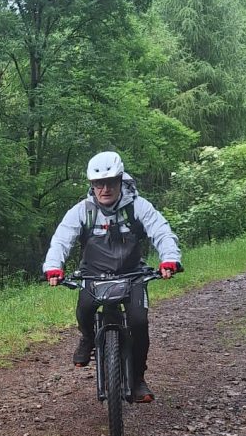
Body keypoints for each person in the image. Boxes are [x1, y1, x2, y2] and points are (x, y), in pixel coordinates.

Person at [42, 151, 182, 403]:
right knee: (85, 310)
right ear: (92, 185)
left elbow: (161, 231)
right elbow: (62, 238)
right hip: (93, 275)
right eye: (98, 184)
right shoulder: (82, 211)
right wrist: (53, 266)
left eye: (110, 183)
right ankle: (87, 338)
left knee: (139, 322)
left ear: (121, 181)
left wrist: (169, 258)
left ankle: (138, 379)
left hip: (132, 274)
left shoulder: (138, 206)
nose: (104, 189)